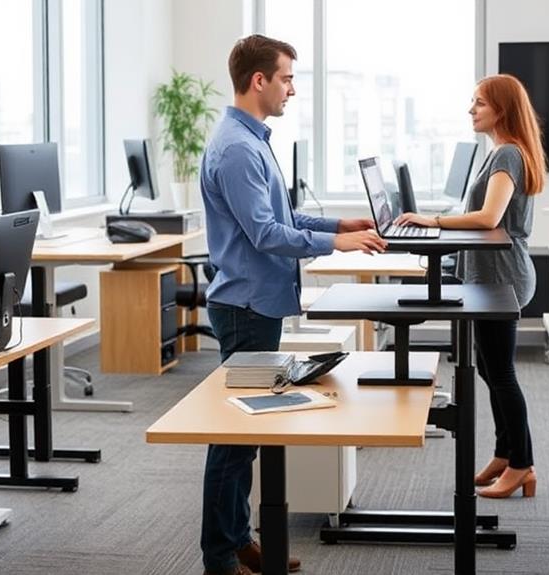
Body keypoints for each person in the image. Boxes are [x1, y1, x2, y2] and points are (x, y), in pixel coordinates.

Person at [199, 34, 387, 575]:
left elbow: (282, 214)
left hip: (259, 302)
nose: (292, 90)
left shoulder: (251, 139)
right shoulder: (236, 148)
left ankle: (237, 540)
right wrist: (338, 244)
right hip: (246, 306)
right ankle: (221, 556)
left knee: (246, 436)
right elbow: (264, 234)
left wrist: (337, 224)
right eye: (286, 78)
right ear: (258, 81)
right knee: (235, 438)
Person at [395, 74, 546, 499]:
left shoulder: (509, 156)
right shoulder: (500, 152)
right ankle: (505, 452)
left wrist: (433, 221)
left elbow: (488, 218)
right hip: (489, 275)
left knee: (501, 373)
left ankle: (522, 465)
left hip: (501, 278)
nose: (471, 110)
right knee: (488, 368)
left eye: (479, 103)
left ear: (501, 110)